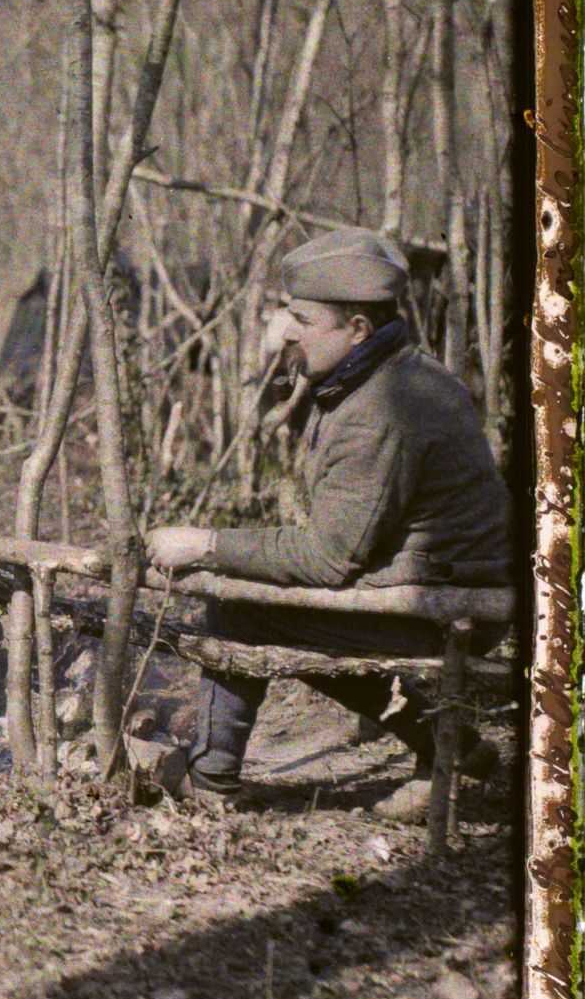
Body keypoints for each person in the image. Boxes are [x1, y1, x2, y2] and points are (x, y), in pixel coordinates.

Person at [144, 227, 510, 819]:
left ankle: (208, 780)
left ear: (356, 329)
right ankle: (455, 751)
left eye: (303, 319)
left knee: (246, 610)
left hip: (446, 603)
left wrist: (205, 543)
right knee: (302, 624)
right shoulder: (392, 373)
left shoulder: (385, 409)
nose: (288, 330)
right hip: (444, 586)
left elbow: (328, 557)